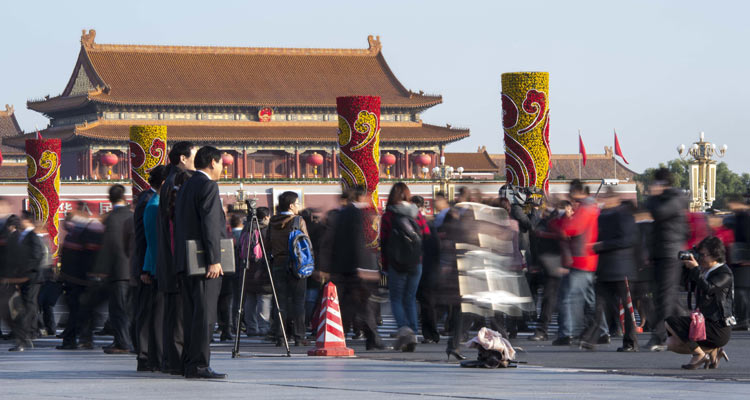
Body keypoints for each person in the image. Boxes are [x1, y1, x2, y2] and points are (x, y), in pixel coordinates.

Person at [173, 145, 227, 380]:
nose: (223, 168)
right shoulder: (208, 185)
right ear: (213, 162)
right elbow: (210, 225)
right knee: (205, 316)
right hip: (204, 262)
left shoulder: (186, 185)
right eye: (222, 163)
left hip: (187, 260)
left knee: (192, 314)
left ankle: (189, 362)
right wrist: (214, 260)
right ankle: (200, 364)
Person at [579, 189, 639, 352]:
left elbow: (628, 240)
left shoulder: (623, 215)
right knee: (599, 305)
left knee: (627, 309)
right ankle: (592, 338)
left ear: (615, 199)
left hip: (622, 268)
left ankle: (630, 341)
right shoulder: (602, 216)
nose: (604, 201)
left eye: (607, 198)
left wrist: (601, 245)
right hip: (605, 268)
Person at [330, 186, 387, 350]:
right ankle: (371, 338)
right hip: (357, 267)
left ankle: (361, 337)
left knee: (350, 305)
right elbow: (357, 242)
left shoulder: (341, 214)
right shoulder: (357, 214)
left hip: (343, 267)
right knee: (363, 304)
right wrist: (364, 267)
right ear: (362, 197)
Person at [665, 236, 734, 369]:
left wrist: (696, 269)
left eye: (702, 255)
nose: (699, 258)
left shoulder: (725, 273)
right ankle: (713, 351)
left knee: (670, 322)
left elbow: (709, 289)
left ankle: (700, 355)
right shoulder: (706, 271)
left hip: (718, 327)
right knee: (670, 342)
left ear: (715, 255)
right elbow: (685, 285)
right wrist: (687, 268)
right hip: (704, 323)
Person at [157, 141, 196, 375]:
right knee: (180, 315)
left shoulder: (170, 181)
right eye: (194, 155)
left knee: (174, 314)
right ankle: (176, 360)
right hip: (178, 259)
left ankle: (171, 360)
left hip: (171, 259)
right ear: (182, 158)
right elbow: (175, 227)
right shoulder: (179, 182)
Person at [381, 182, 429, 352]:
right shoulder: (417, 214)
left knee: (396, 299)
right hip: (416, 262)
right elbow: (427, 234)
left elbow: (384, 242)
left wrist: (385, 266)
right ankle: (413, 332)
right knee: (410, 298)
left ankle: (404, 329)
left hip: (396, 263)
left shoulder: (388, 216)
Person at [645, 168, 689, 351]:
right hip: (661, 253)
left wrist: (653, 198)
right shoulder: (663, 199)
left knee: (666, 297)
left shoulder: (675, 199)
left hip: (670, 253)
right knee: (666, 297)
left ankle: (660, 336)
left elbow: (659, 213)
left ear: (663, 184)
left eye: (655, 184)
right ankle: (690, 328)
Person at [553, 179, 599, 346]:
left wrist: (562, 223)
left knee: (568, 298)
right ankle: (600, 331)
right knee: (589, 300)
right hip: (588, 259)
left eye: (571, 191)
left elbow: (572, 228)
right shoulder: (591, 206)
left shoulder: (585, 208)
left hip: (580, 259)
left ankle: (567, 333)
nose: (569, 195)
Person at [92, 184, 135, 354]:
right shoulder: (131, 215)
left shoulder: (111, 218)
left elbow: (109, 247)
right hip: (132, 269)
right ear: (124, 198)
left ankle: (123, 343)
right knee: (128, 309)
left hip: (117, 271)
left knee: (118, 309)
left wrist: (100, 269)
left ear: (109, 199)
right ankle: (124, 340)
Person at [135, 165, 167, 371]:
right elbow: (149, 242)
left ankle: (150, 356)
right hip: (155, 267)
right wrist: (146, 269)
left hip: (152, 265)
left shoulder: (154, 202)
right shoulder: (154, 205)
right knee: (154, 314)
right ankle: (149, 356)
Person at [269, 191, 309, 346]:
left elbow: (267, 244)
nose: (299, 206)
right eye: (297, 203)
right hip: (296, 264)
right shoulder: (298, 221)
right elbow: (306, 243)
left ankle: (280, 336)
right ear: (291, 205)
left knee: (280, 302)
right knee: (298, 301)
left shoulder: (272, 221)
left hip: (278, 263)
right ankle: (299, 336)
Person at [241, 207, 273, 337]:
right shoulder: (265, 230)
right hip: (261, 267)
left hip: (247, 267)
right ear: (266, 217)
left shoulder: (246, 228)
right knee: (264, 298)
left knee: (250, 298)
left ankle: (251, 327)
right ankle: (263, 326)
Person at [727, 194, 750, 331]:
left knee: (742, 290)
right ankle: (743, 319)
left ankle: (743, 319)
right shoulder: (740, 217)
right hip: (740, 258)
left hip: (744, 259)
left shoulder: (744, 217)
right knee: (742, 290)